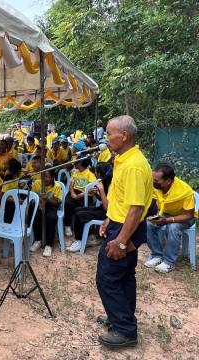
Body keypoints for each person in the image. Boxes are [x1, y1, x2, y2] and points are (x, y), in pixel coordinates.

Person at [95, 115, 152, 348]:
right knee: (124, 276)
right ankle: (121, 318)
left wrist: (120, 241)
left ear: (124, 136)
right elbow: (122, 199)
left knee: (107, 278)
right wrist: (109, 219)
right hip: (119, 223)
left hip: (126, 228)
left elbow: (136, 208)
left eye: (109, 133)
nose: (106, 138)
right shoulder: (122, 159)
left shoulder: (134, 166)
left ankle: (126, 331)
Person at [145, 163, 196, 273]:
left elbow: (189, 215)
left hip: (185, 217)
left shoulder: (184, 191)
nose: (154, 182)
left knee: (172, 227)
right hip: (166, 213)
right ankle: (157, 255)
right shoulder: (157, 186)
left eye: (157, 181)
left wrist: (167, 220)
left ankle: (169, 262)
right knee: (148, 223)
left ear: (168, 181)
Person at [67, 162, 113, 252]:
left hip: (108, 213)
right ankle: (89, 237)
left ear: (100, 173)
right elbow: (102, 199)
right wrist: (97, 193)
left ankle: (81, 241)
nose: (95, 173)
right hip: (104, 208)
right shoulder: (104, 182)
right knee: (77, 210)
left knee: (81, 215)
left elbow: (107, 207)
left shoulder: (109, 184)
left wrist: (102, 190)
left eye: (96, 171)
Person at [29, 169, 62, 257]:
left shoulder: (56, 187)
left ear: (52, 178)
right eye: (43, 177)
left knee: (51, 218)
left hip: (51, 206)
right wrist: (39, 203)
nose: (44, 179)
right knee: (35, 217)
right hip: (39, 205)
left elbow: (56, 203)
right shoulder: (37, 183)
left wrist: (46, 199)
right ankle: (38, 240)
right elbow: (32, 196)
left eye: (47, 177)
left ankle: (49, 245)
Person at [64, 157, 97, 237]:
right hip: (75, 191)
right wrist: (72, 193)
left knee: (82, 208)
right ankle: (67, 225)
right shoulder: (75, 172)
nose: (74, 164)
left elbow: (93, 188)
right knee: (68, 203)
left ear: (81, 164)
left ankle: (82, 229)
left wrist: (81, 195)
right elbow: (71, 185)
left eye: (76, 162)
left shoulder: (89, 174)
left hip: (85, 193)